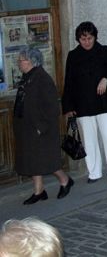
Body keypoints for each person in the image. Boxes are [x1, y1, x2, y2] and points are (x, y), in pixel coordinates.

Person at [62, 22, 107, 184]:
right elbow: (68, 82)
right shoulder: (73, 56)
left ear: (95, 37)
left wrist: (106, 79)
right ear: (78, 39)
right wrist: (68, 107)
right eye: (83, 39)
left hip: (104, 103)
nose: (87, 42)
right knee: (89, 141)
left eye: (89, 38)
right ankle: (94, 172)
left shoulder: (104, 52)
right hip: (82, 105)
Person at [13, 48, 74, 204]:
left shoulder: (42, 78)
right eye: (19, 60)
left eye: (22, 60)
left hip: (41, 128)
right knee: (33, 160)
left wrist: (42, 127)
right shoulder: (27, 77)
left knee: (47, 161)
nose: (19, 63)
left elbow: (52, 107)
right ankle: (39, 191)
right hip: (28, 127)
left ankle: (65, 180)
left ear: (32, 62)